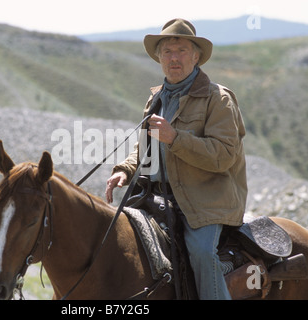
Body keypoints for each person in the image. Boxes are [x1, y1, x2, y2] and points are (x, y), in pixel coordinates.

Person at [105, 18, 247, 300]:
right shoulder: (156, 99)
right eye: (167, 51)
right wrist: (125, 170)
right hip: (155, 197)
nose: (174, 58)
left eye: (181, 51)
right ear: (159, 58)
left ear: (196, 56)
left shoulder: (218, 99)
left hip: (205, 201)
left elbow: (224, 156)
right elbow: (145, 147)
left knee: (203, 254)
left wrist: (175, 139)